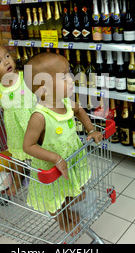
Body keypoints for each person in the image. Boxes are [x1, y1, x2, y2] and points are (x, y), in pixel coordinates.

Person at [22, 52, 103, 235]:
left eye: (69, 73)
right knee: (54, 199)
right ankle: (61, 219)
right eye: (64, 77)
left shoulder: (66, 102)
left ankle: (66, 211)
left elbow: (80, 110)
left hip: (70, 162)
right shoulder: (39, 116)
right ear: (44, 90)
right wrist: (55, 158)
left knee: (72, 193)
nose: (72, 79)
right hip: (50, 168)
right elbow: (28, 146)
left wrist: (91, 130)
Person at [0, 44, 36, 195]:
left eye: (7, 56)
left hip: (34, 123)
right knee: (17, 156)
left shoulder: (26, 77)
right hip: (15, 127)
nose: (6, 62)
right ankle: (17, 181)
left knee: (41, 152)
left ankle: (44, 181)